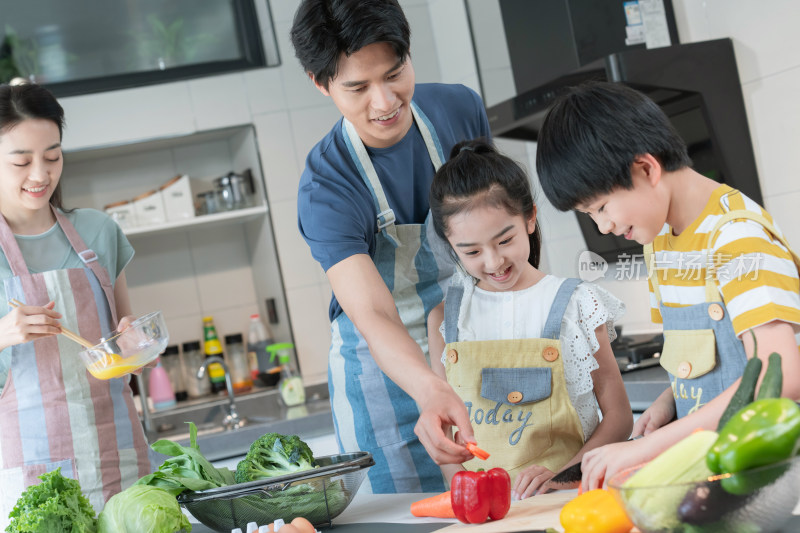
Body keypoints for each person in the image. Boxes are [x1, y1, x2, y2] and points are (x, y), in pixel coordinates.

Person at [535, 81, 800, 491]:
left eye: (601, 207)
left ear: (646, 169)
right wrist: (669, 402)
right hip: (711, 474)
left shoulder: (735, 237)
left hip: (768, 476)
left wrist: (649, 447)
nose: (602, 226)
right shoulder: (660, 242)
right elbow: (699, 362)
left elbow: (777, 377)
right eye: (590, 215)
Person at [290, 0, 491, 492]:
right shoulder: (327, 185)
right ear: (321, 84)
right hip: (382, 381)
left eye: (395, 73)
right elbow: (373, 314)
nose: (384, 102)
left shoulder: (459, 110)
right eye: (357, 87)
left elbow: (503, 225)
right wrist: (430, 388)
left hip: (474, 348)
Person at [425, 138, 633, 499]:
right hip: (482, 514)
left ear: (530, 218)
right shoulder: (446, 319)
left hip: (568, 499)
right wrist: (466, 493)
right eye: (471, 251)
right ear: (449, 243)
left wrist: (562, 475)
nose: (493, 262)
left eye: (505, 240)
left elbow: (619, 417)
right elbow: (442, 433)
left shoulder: (575, 303)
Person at [0, 82, 150, 524]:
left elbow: (126, 336)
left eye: (52, 156)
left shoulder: (99, 232)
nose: (40, 174)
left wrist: (136, 345)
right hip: (31, 475)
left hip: (118, 456)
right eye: (21, 160)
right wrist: (4, 333)